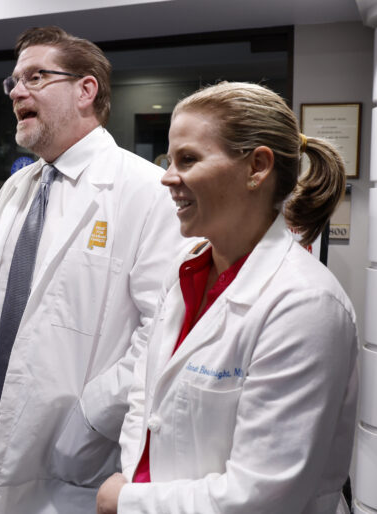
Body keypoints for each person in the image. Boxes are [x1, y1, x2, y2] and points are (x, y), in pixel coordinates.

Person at [0, 26, 188, 514]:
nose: (17, 91)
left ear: (87, 90)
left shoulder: (146, 192)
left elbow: (163, 330)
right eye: (14, 82)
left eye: (36, 77)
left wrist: (90, 420)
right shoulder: (16, 190)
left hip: (78, 458)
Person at [96, 81, 358, 514]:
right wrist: (136, 480)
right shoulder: (186, 267)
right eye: (169, 158)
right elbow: (147, 402)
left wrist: (130, 501)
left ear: (257, 166)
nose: (166, 176)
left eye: (188, 159)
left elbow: (263, 495)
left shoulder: (304, 304)